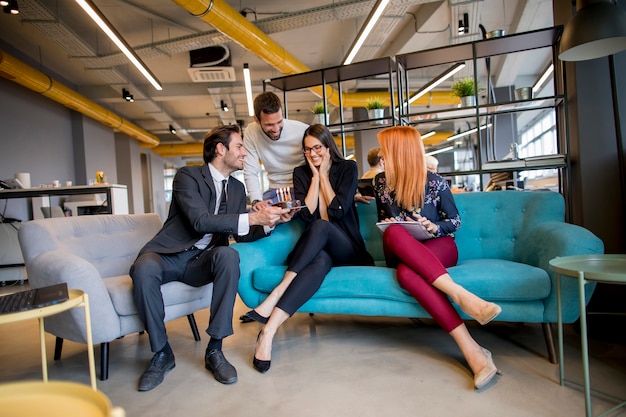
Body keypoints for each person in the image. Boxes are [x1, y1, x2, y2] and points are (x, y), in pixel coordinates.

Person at [130, 125, 293, 391]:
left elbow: (240, 234)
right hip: (168, 254)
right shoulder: (187, 177)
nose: (244, 153)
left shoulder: (238, 189)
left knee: (228, 255)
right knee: (143, 268)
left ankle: (215, 350)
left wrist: (269, 222)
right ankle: (161, 353)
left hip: (201, 261)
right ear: (220, 149)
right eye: (239, 146)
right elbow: (200, 221)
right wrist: (252, 216)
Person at [373, 126, 502, 390]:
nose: (381, 156)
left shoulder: (434, 181)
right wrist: (389, 222)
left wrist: (433, 227)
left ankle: (473, 351)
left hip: (437, 246)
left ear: (400, 152)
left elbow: (454, 221)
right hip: (400, 246)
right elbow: (384, 218)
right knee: (395, 232)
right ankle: (462, 296)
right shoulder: (380, 182)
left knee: (407, 274)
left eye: (386, 150)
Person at [243, 124, 375, 373]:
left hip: (349, 250)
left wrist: (324, 176)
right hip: (320, 251)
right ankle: (268, 332)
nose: (313, 154)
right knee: (319, 260)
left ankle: (277, 292)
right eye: (307, 150)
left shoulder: (348, 168)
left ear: (327, 146)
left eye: (317, 148)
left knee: (323, 227)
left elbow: (336, 212)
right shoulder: (301, 174)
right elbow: (308, 216)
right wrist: (314, 177)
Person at [243, 91, 309, 208]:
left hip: (302, 187)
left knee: (275, 215)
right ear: (257, 120)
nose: (276, 129)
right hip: (275, 189)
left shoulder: (302, 131)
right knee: (256, 218)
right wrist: (256, 201)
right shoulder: (251, 132)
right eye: (269, 124)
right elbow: (250, 171)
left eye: (279, 122)